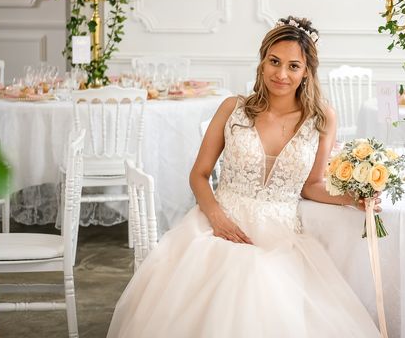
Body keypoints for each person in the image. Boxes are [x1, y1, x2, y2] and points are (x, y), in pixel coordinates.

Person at [107, 17, 380, 337]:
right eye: (274, 62)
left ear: (307, 72)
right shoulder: (232, 108)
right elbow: (199, 174)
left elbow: (312, 186)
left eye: (294, 66)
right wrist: (216, 218)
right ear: (262, 61)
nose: (282, 74)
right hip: (219, 224)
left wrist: (353, 197)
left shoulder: (321, 118)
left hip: (281, 234)